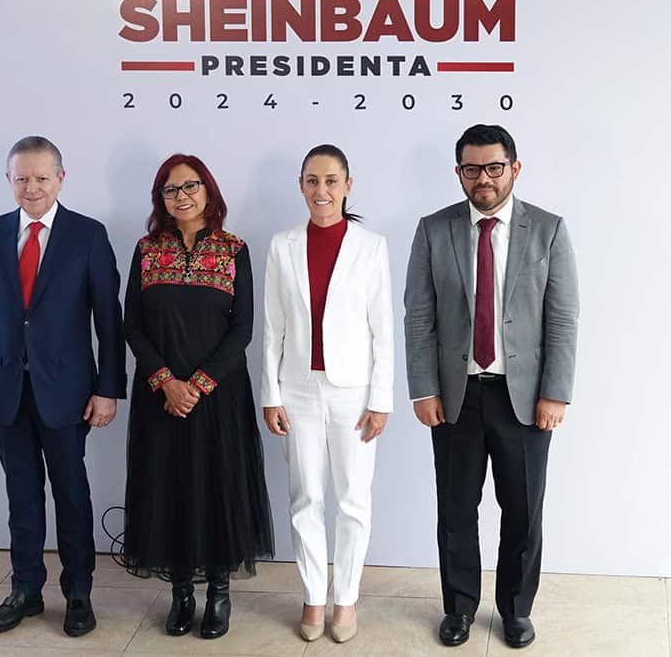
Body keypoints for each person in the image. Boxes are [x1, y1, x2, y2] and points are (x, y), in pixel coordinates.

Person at [404, 124, 579, 649]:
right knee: (456, 511)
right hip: (456, 397)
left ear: (514, 169)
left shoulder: (547, 229)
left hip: (523, 398)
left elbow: (563, 318)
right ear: (459, 172)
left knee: (523, 513)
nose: (483, 179)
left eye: (494, 167)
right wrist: (423, 388)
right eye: (471, 169)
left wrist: (556, 391)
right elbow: (419, 316)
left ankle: (516, 610)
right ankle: (458, 609)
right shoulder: (433, 230)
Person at [0, 136, 126, 637]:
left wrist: (108, 389)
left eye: (41, 177)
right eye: (21, 178)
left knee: (71, 494)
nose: (31, 187)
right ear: (9, 180)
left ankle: (78, 592)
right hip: (5, 390)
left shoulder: (87, 235)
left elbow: (108, 322)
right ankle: (26, 589)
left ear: (60, 179)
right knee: (21, 494)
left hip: (70, 392)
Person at [121, 154, 274, 640]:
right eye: (170, 189)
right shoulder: (147, 250)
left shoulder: (234, 249)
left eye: (191, 186)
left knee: (217, 486)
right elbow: (132, 325)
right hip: (158, 395)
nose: (181, 196)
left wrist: (198, 385)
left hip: (218, 396)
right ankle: (181, 593)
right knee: (167, 487)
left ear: (209, 191)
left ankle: (219, 594)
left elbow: (243, 327)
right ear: (160, 199)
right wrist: (167, 381)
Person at [261, 144, 393, 644]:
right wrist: (270, 394)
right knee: (306, 497)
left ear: (348, 185)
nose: (322, 191)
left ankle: (347, 597)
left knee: (354, 500)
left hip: (354, 392)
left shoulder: (371, 246)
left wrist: (381, 399)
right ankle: (315, 595)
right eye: (313, 181)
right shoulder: (282, 245)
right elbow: (272, 328)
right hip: (297, 390)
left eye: (332, 181)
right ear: (301, 186)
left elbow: (383, 330)